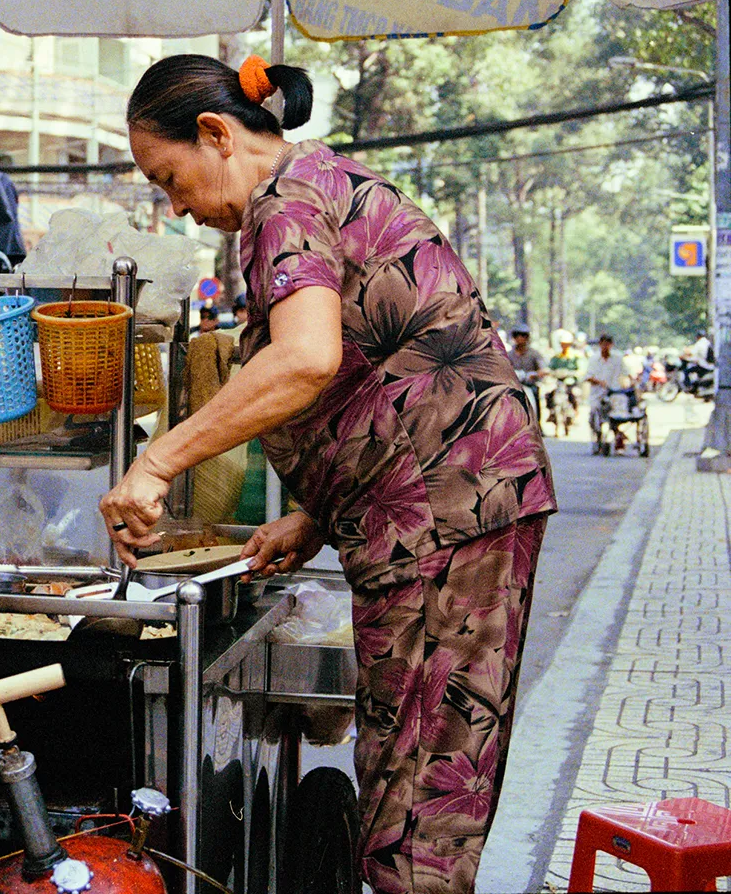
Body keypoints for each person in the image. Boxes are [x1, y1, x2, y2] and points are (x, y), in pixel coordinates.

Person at [97, 54, 555, 894]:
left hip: (444, 518)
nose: (180, 208)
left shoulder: (285, 205)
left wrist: (158, 460)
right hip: (452, 505)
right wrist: (314, 515)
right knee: (415, 778)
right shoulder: (321, 183)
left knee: (416, 805)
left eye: (171, 179)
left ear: (215, 134)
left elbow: (307, 357)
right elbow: (386, 366)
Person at [586, 333, 628, 444]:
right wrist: (599, 382)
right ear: (600, 344)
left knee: (617, 413)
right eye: (603, 344)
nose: (605, 347)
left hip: (614, 392)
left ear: (611, 345)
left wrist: (630, 383)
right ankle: (598, 434)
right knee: (594, 413)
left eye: (608, 344)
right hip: (598, 393)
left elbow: (626, 373)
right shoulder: (594, 359)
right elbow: (588, 376)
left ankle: (618, 435)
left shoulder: (618, 358)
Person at [506, 324, 544, 419]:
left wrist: (535, 374)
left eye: (523, 335)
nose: (519, 338)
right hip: (513, 386)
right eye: (516, 335)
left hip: (529, 385)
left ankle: (537, 423)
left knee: (535, 395)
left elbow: (542, 369)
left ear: (527, 337)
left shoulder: (534, 354)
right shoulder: (508, 355)